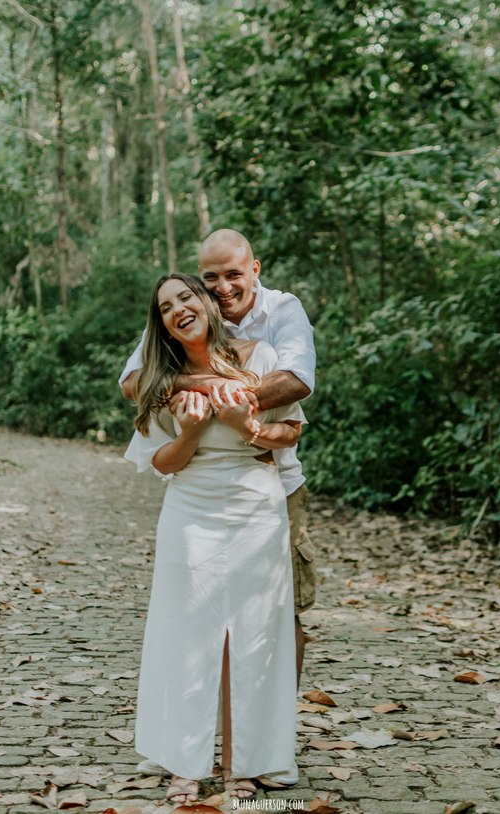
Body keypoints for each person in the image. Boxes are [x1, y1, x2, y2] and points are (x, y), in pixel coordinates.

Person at [125, 274, 304, 803]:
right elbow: (160, 463)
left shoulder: (262, 355)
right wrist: (190, 433)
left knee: (251, 635)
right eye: (165, 307)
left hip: (256, 507)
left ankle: (242, 763)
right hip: (190, 509)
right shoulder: (161, 379)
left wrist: (244, 425)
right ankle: (185, 761)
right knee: (188, 633)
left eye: (186, 297)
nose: (178, 309)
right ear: (161, 326)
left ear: (206, 304)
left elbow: (289, 432)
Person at [120, 229, 317, 687]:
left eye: (234, 274)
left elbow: (296, 382)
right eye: (212, 277)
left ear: (255, 269)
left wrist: (230, 403)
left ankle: (275, 721)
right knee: (206, 611)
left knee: (280, 611)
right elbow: (134, 381)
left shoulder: (283, 312)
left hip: (275, 483)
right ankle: (217, 719)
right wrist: (209, 389)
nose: (223, 287)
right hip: (202, 492)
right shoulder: (187, 309)